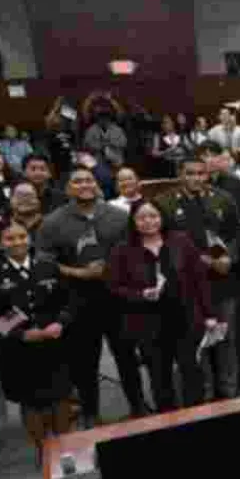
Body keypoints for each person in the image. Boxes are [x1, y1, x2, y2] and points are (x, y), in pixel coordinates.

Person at [37, 165, 148, 425]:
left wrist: (116, 270)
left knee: (127, 356)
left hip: (117, 297)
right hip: (78, 300)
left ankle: (139, 406)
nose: (85, 185)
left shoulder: (119, 216)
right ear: (68, 188)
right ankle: (90, 414)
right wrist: (78, 273)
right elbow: (44, 263)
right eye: (78, 181)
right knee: (85, 363)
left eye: (89, 180)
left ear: (97, 185)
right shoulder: (52, 222)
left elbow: (135, 252)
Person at [0, 219, 76, 465]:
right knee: (30, 401)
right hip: (17, 349)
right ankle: (43, 448)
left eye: (21, 236)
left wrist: (60, 323)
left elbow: (70, 300)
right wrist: (20, 333)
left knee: (61, 397)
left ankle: (65, 447)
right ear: (1, 244)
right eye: (10, 238)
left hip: (55, 344)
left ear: (29, 239)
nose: (17, 242)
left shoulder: (47, 265)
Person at [109, 201, 216, 412]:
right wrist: (140, 294)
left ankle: (197, 417)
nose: (149, 221)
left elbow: (199, 280)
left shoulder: (181, 241)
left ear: (162, 217)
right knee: (159, 377)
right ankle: (167, 423)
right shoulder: (123, 249)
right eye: (142, 217)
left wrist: (209, 314)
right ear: (133, 221)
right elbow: (114, 287)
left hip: (184, 318)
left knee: (191, 372)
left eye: (153, 216)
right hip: (148, 323)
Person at [156, 158, 240, 401]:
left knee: (226, 339)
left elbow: (235, 234)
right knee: (196, 342)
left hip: (222, 281)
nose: (196, 178)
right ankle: (200, 396)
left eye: (201, 173)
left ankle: (229, 393)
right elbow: (161, 243)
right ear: (180, 175)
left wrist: (228, 258)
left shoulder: (222, 199)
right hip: (188, 286)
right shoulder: (165, 203)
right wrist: (194, 262)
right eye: (190, 173)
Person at [198, 140, 240, 224]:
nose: (210, 160)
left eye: (214, 155)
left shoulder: (234, 181)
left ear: (220, 158)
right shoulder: (195, 182)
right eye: (205, 156)